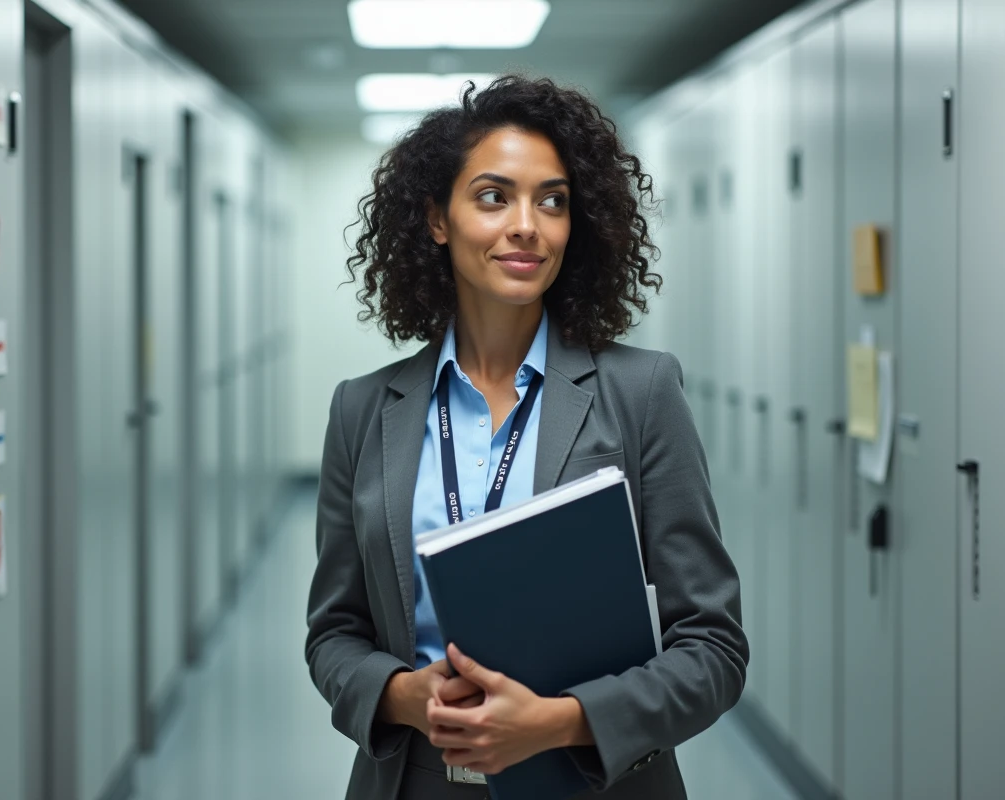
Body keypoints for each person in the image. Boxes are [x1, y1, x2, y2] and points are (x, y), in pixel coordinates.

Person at [305, 75, 748, 800]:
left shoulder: (641, 393)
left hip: (592, 779)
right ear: (437, 219)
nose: (526, 225)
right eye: (492, 196)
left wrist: (560, 720)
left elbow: (714, 649)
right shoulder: (363, 409)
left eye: (553, 200)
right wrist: (404, 697)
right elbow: (333, 635)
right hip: (416, 781)